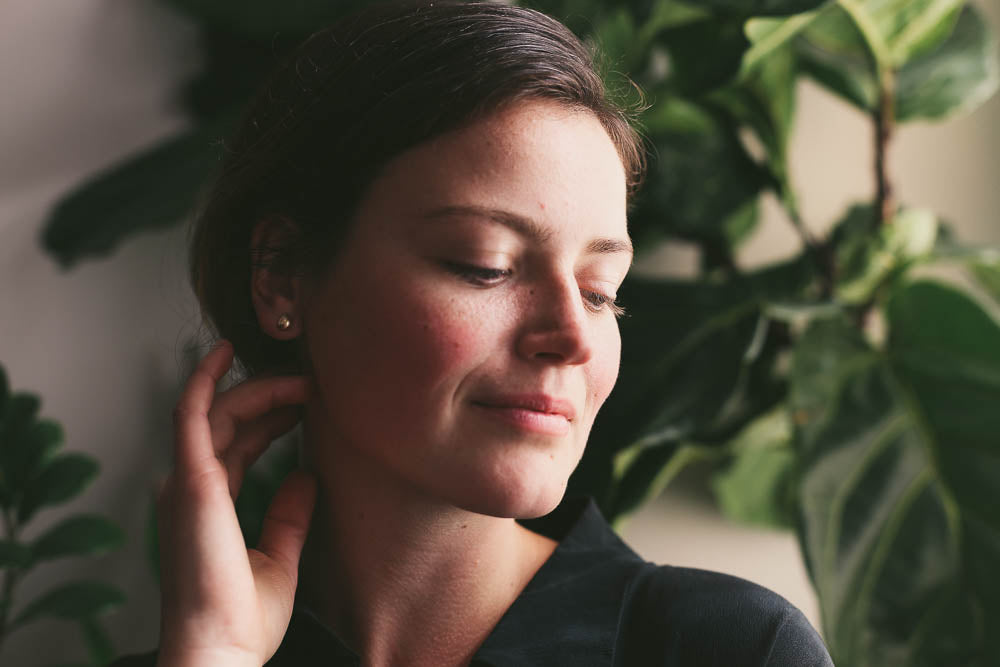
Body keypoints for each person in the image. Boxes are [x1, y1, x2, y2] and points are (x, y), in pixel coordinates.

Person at [112, 2, 834, 665]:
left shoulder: (729, 650)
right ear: (281, 276)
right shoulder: (200, 653)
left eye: (599, 291)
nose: (572, 336)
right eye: (484, 265)